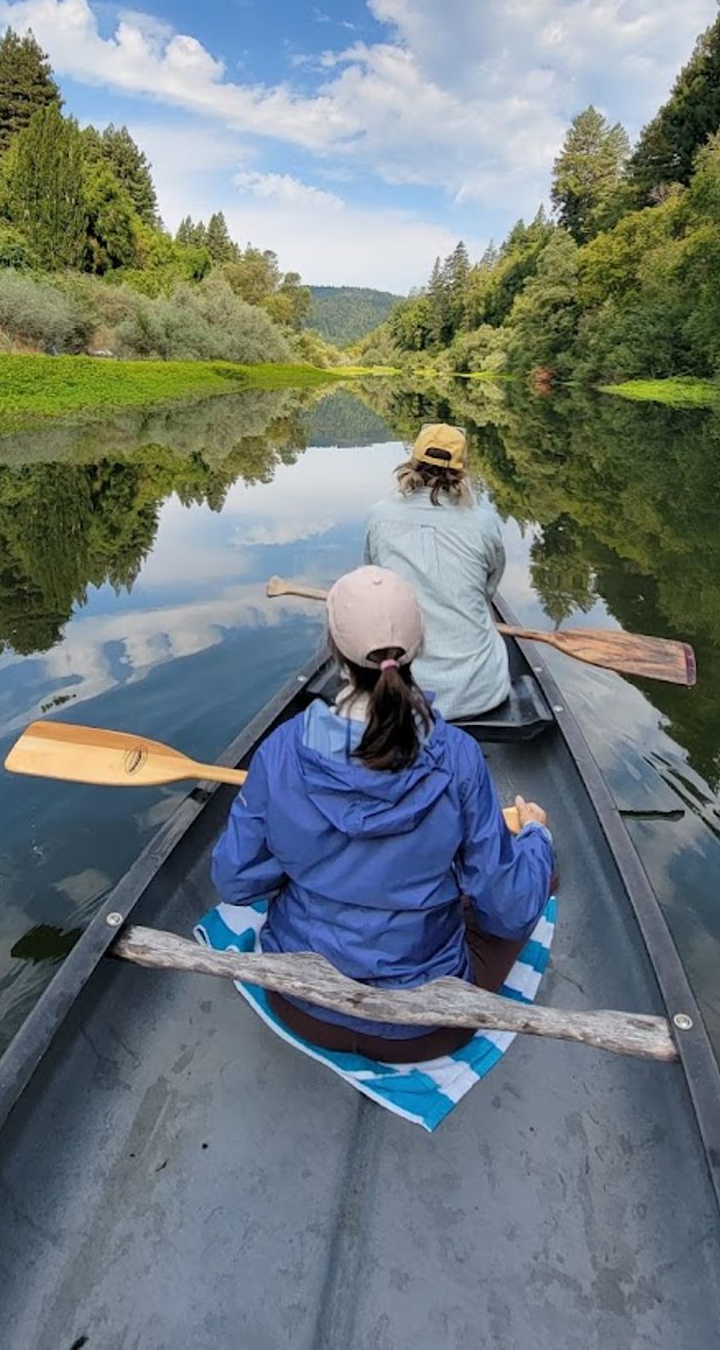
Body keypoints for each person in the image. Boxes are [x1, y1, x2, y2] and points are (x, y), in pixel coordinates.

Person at [211, 565, 554, 1063]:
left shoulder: (280, 751)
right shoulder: (458, 756)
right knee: (534, 880)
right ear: (419, 646)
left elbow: (236, 882)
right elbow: (508, 911)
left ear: (333, 647)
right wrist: (536, 840)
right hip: (424, 1029)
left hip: (299, 1005)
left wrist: (312, 857)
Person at [363, 422, 509, 721]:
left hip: (404, 695)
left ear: (412, 462)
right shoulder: (483, 522)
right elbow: (488, 590)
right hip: (481, 693)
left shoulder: (380, 516)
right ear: (462, 468)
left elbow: (372, 587)